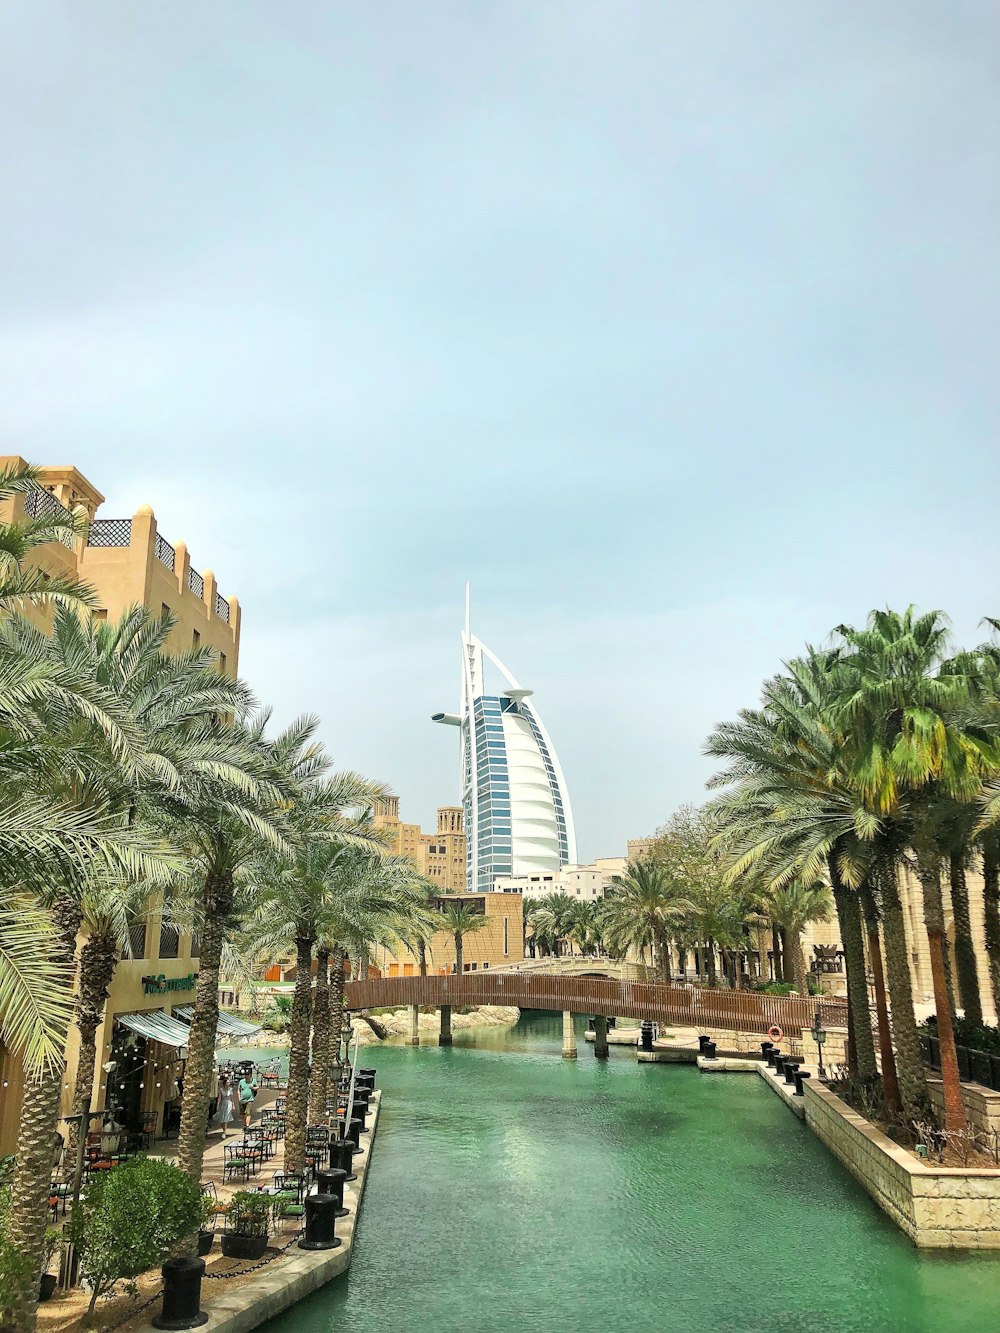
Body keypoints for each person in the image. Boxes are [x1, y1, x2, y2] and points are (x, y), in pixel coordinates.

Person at [213, 1073, 236, 1138]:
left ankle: (224, 1132)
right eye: (228, 1082)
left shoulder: (230, 1089)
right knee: (222, 1117)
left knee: (226, 1117)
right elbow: (220, 1098)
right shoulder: (221, 1090)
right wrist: (217, 1105)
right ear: (225, 1083)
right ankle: (223, 1129)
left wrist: (233, 1105)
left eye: (229, 1082)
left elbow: (232, 1098)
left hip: (229, 1104)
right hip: (223, 1104)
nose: (229, 1083)